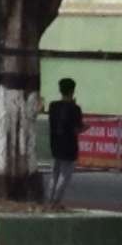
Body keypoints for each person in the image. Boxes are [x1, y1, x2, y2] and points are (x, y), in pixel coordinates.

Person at [46, 77, 85, 208]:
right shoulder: (75, 108)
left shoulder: (53, 106)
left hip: (55, 143)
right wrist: (86, 127)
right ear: (73, 91)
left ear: (60, 90)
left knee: (54, 174)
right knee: (64, 175)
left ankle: (49, 200)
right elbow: (77, 128)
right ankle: (56, 202)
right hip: (69, 146)